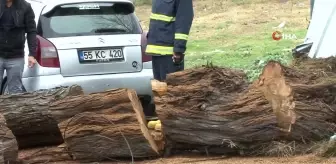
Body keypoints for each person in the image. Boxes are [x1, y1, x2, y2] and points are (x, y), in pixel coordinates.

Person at [145, 0, 194, 82]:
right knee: (160, 90)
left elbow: (184, 20)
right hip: (156, 52)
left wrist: (178, 50)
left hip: (170, 54)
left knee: (172, 91)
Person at [0, 0, 37, 94]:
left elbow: (31, 31)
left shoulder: (25, 7)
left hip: (16, 56)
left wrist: (32, 54)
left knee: (15, 92)